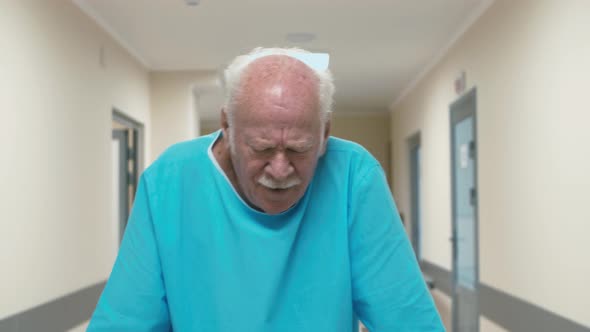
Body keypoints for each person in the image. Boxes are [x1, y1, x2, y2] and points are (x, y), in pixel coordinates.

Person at [88, 47, 444, 331]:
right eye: (260, 148)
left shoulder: (353, 176)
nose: (279, 169)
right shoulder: (169, 183)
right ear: (226, 126)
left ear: (324, 134)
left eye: (299, 149)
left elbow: (408, 320)